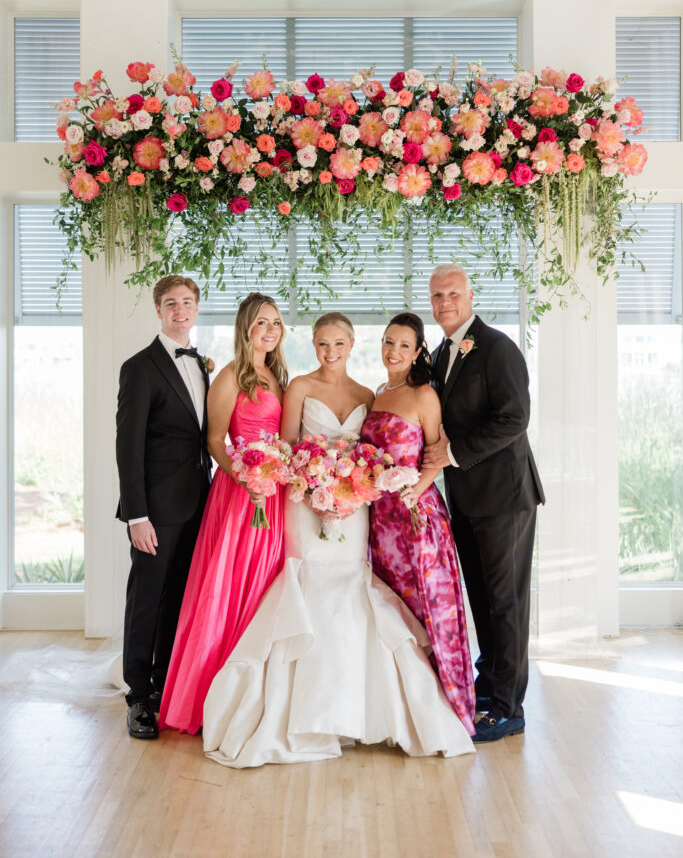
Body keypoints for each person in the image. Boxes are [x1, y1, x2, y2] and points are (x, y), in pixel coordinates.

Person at [201, 312, 475, 767]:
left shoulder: (370, 395)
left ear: (351, 345)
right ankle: (299, 711)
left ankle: (357, 706)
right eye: (322, 344)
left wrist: (353, 491)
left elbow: (376, 455)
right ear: (313, 345)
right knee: (309, 587)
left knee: (353, 592)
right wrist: (313, 490)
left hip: (356, 508)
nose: (330, 352)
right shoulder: (300, 389)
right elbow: (287, 451)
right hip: (305, 505)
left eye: (338, 344)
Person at [423, 263, 545, 743]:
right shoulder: (439, 354)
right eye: (436, 296)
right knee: (482, 600)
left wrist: (451, 452)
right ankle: (489, 685)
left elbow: (515, 418)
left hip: (506, 497)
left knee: (507, 603)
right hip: (466, 500)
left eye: (453, 293)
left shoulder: (498, 348)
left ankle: (509, 708)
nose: (445, 302)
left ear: (471, 296)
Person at [158, 292, 288, 735]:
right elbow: (215, 440)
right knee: (230, 589)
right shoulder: (232, 376)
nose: (269, 330)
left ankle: (256, 693)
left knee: (264, 589)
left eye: (275, 322)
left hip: (274, 494)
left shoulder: (278, 374)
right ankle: (213, 695)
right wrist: (247, 477)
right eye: (261, 323)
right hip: (239, 494)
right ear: (245, 328)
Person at [361, 312, 475, 735]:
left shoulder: (425, 395)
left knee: (429, 607)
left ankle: (446, 705)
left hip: (416, 518)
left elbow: (437, 454)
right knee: (396, 612)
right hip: (381, 524)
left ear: (418, 352)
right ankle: (403, 706)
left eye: (403, 346)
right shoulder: (377, 392)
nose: (393, 351)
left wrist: (415, 487)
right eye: (388, 342)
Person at [116, 275, 211, 740]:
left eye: (187, 302)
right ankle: (136, 697)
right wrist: (137, 515)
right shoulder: (140, 367)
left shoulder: (203, 365)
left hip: (197, 506)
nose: (179, 310)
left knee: (177, 600)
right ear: (158, 310)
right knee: (145, 603)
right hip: (154, 511)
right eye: (170, 303)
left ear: (196, 308)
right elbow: (127, 448)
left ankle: (161, 686)